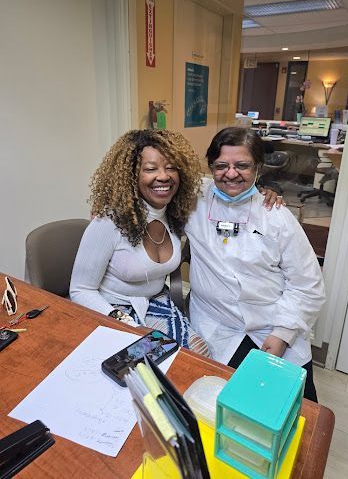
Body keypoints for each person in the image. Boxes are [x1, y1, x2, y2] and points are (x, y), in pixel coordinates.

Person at [185, 127, 325, 401]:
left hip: (272, 326)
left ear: (258, 168)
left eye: (243, 165)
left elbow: (308, 285)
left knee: (294, 411)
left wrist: (282, 334)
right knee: (223, 408)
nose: (231, 173)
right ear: (210, 167)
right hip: (217, 326)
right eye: (221, 165)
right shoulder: (194, 200)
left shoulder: (277, 216)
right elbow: (151, 187)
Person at [70, 129, 210, 355]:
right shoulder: (109, 221)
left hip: (156, 301)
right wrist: (128, 325)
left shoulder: (175, 210)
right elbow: (80, 290)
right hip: (112, 308)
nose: (163, 176)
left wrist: (261, 190)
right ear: (131, 175)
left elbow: (221, 186)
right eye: (150, 169)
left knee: (198, 354)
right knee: (151, 371)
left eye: (171, 167)